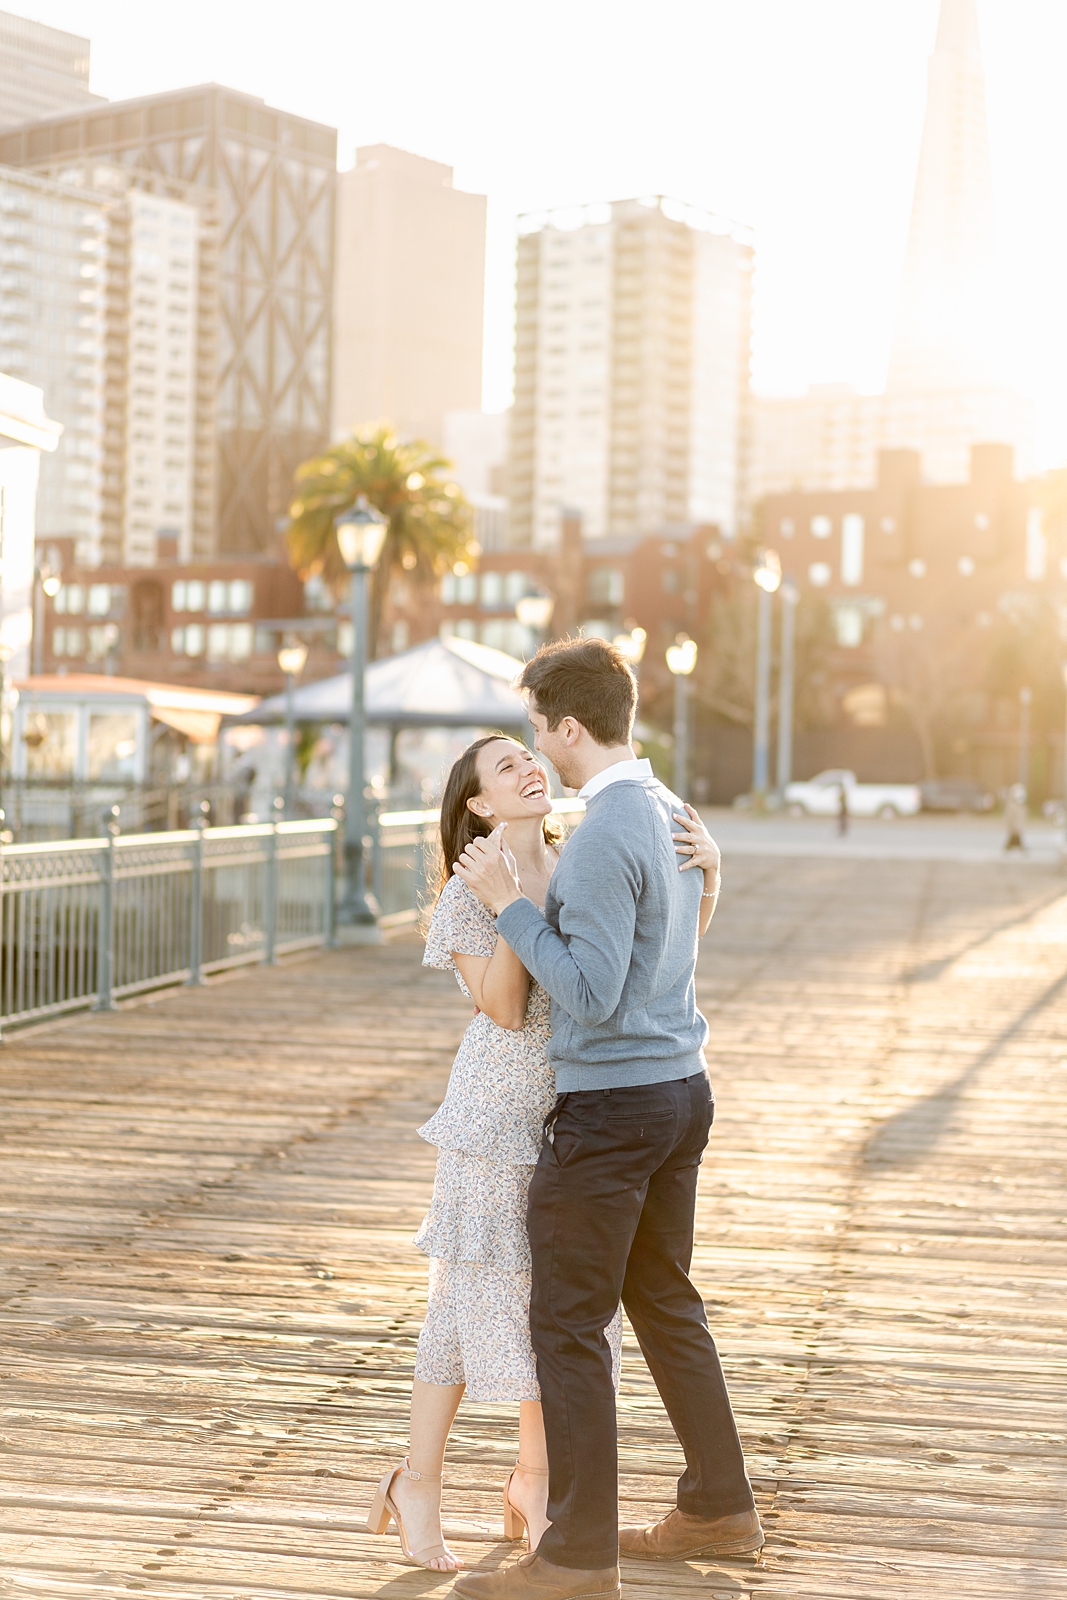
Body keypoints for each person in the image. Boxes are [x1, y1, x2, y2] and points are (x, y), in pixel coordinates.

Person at [452, 637, 760, 1600]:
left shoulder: (596, 838)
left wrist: (508, 906)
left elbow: (585, 992)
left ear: (569, 726)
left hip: (615, 1108)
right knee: (665, 1301)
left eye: (539, 728)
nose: (537, 746)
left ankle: (578, 1555)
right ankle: (718, 1503)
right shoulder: (664, 810)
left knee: (568, 1322)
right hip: (681, 1091)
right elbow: (671, 938)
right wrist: (716, 873)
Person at [367, 734, 631, 1568]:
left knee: (481, 1303)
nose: (530, 768)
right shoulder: (464, 895)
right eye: (506, 767)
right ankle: (524, 1482)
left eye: (530, 755)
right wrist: (509, 901)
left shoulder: (578, 858)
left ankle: (434, 1479)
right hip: (493, 1120)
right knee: (516, 1303)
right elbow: (507, 1010)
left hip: (573, 1113)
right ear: (478, 805)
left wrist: (705, 879)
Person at [1003, 783, 1027, 851]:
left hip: (1017, 827)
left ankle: (1010, 848)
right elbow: (1009, 817)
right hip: (1015, 827)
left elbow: (1022, 817)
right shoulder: (1012, 806)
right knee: (1015, 839)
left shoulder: (1019, 806)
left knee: (1015, 839)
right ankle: (1020, 849)